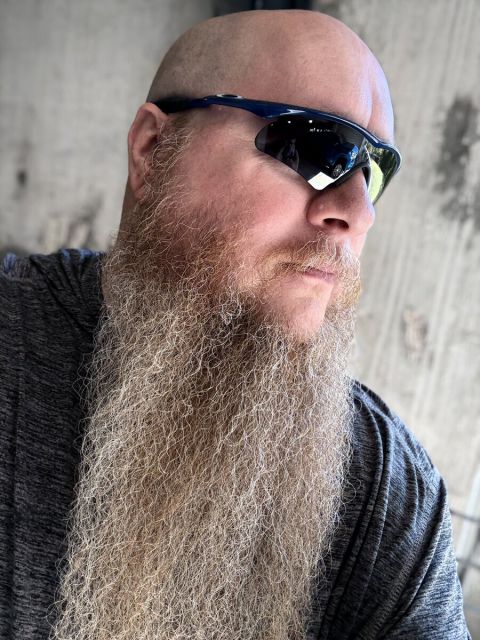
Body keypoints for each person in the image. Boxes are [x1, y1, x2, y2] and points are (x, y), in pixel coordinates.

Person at [0, 9, 471, 640]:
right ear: (152, 151)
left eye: (373, 171)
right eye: (312, 147)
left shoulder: (386, 492)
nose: (357, 212)